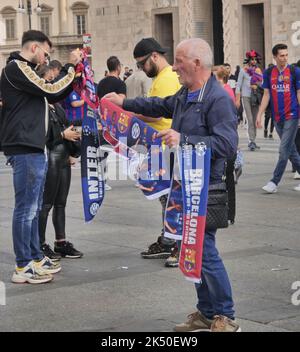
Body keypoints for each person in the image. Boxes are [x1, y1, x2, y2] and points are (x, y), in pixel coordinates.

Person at [105, 38, 240, 333]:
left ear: (197, 64)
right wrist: (123, 102)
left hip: (208, 186)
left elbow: (228, 145)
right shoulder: (187, 93)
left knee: (203, 249)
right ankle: (206, 313)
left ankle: (226, 316)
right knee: (193, 248)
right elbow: (160, 105)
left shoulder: (217, 99)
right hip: (187, 184)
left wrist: (186, 140)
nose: (175, 67)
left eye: (180, 61)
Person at [0, 30, 82, 284]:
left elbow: (53, 93)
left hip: (32, 144)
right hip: (24, 144)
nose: (47, 59)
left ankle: (34, 257)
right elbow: (52, 89)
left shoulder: (23, 70)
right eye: (46, 53)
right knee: (26, 209)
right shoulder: (16, 67)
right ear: (34, 47)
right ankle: (23, 265)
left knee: (33, 208)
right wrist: (70, 66)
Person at [132, 37, 181, 267]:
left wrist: (129, 113)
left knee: (173, 198)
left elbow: (158, 113)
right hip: (161, 147)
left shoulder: (168, 78)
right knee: (165, 197)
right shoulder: (161, 78)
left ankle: (177, 243)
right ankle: (168, 240)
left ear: (154, 56)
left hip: (170, 147)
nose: (141, 69)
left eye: (142, 63)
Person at [37, 65, 84, 261]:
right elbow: (39, 134)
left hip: (63, 157)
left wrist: (75, 150)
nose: (52, 84)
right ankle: (39, 244)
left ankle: (61, 242)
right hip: (49, 158)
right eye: (48, 80)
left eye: (53, 80)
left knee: (60, 204)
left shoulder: (55, 105)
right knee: (45, 204)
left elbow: (66, 125)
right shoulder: (37, 105)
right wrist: (63, 134)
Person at [256, 44, 300, 193]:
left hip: (292, 115)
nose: (285, 58)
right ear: (274, 57)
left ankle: (274, 182)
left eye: (286, 55)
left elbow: (299, 93)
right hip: (277, 117)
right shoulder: (268, 73)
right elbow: (266, 95)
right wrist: (259, 115)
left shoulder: (295, 71)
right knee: (291, 151)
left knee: (283, 150)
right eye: (281, 55)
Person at [97, 56, 127, 191]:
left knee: (103, 150)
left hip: (103, 118)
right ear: (119, 67)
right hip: (116, 120)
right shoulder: (120, 84)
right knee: (131, 147)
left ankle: (101, 180)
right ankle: (140, 174)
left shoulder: (101, 83)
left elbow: (98, 101)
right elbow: (122, 102)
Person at [236, 50, 263, 151]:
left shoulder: (258, 71)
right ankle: (251, 141)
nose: (254, 61)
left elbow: (263, 84)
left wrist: (257, 86)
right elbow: (238, 84)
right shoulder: (243, 71)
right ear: (249, 60)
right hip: (246, 97)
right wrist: (237, 99)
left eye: (255, 59)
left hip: (256, 97)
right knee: (250, 119)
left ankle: (253, 140)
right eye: (252, 59)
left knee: (255, 119)